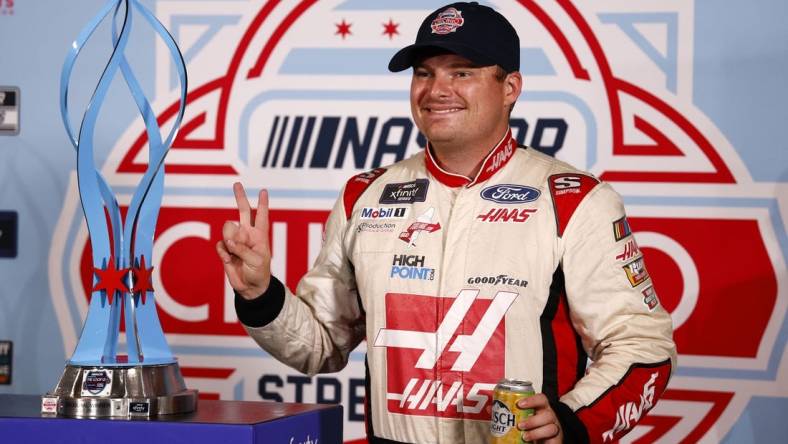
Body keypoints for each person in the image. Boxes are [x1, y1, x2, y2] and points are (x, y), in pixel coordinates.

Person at [216, 2, 676, 443]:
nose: (437, 90)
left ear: (510, 87)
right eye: (424, 73)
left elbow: (643, 348)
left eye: (462, 72)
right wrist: (259, 294)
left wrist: (571, 423)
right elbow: (320, 345)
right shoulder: (365, 195)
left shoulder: (574, 200)